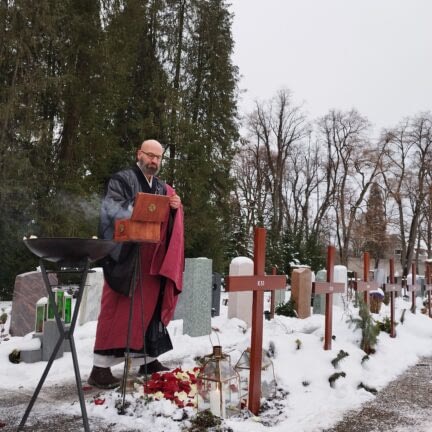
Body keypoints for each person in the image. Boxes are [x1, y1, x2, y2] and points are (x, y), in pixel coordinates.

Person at [88, 139, 184, 389]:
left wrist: (174, 207)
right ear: (139, 154)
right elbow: (111, 209)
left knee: (149, 310)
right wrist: (136, 210)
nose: (154, 161)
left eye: (158, 157)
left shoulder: (163, 187)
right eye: (150, 155)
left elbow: (166, 214)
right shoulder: (122, 180)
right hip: (127, 256)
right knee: (116, 310)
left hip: (151, 258)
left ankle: (148, 360)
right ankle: (100, 368)